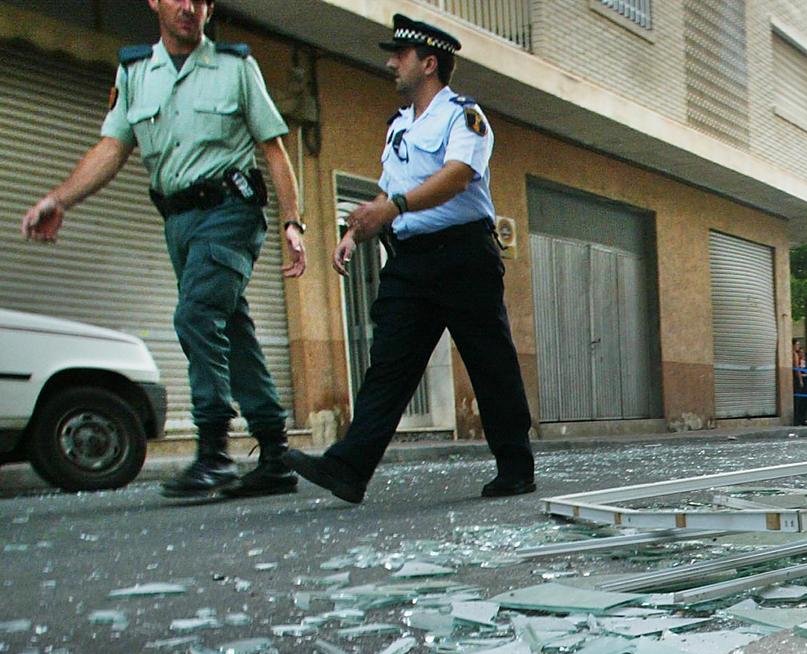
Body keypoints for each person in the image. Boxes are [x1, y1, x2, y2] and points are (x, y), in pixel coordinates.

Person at [20, 0, 307, 500]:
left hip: (230, 213)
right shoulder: (135, 72)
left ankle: (214, 454)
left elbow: (274, 148)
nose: (188, 7)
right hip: (176, 221)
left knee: (196, 316)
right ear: (155, 1)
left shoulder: (236, 67)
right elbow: (112, 147)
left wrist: (292, 221)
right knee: (230, 328)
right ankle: (276, 457)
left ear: (209, 8)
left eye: (199, 0)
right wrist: (59, 198)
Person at [284, 13, 535, 503]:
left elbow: (458, 176)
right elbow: (390, 189)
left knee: (491, 364)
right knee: (389, 366)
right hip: (410, 261)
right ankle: (349, 468)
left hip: (463, 255)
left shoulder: (464, 115)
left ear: (429, 64)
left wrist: (393, 208)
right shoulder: (399, 126)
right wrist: (353, 233)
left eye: (399, 56)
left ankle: (515, 466)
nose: (390, 63)